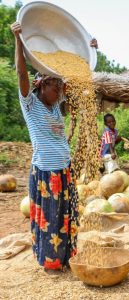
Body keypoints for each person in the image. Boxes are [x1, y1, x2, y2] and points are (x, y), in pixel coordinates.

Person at [10, 21, 98, 272]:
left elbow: (81, 80)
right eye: (55, 85)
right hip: (46, 174)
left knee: (66, 218)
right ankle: (51, 261)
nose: (60, 90)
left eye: (61, 86)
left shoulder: (56, 106)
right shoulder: (31, 104)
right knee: (50, 220)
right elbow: (21, 74)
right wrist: (18, 39)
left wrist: (91, 54)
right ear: (41, 86)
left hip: (64, 171)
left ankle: (67, 256)